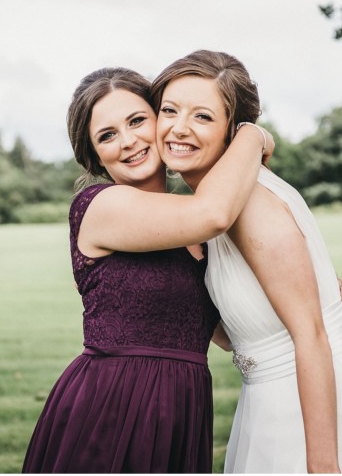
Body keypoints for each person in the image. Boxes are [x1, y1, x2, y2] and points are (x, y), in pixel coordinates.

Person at [150, 50, 342, 473]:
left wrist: (323, 465)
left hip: (313, 412)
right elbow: (232, 334)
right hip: (268, 405)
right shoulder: (210, 208)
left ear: (233, 130)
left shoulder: (249, 205)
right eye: (169, 110)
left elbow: (311, 335)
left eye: (203, 117)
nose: (179, 128)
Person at [21, 67, 273, 473]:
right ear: (95, 155)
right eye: (107, 135)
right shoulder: (100, 206)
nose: (128, 141)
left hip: (180, 411)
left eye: (137, 121)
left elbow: (226, 334)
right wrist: (252, 134)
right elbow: (215, 211)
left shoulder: (195, 231)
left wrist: (296, 290)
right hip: (110, 409)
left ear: (161, 120)